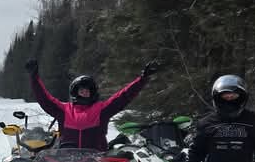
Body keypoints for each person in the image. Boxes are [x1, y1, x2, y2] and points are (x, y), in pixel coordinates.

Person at [25, 59, 160, 150]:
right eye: (81, 90)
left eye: (87, 90)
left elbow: (123, 96)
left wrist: (142, 79)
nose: (85, 92)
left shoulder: (101, 109)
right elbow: (44, 99)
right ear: (75, 92)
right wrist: (34, 78)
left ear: (92, 92)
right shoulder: (64, 110)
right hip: (67, 161)